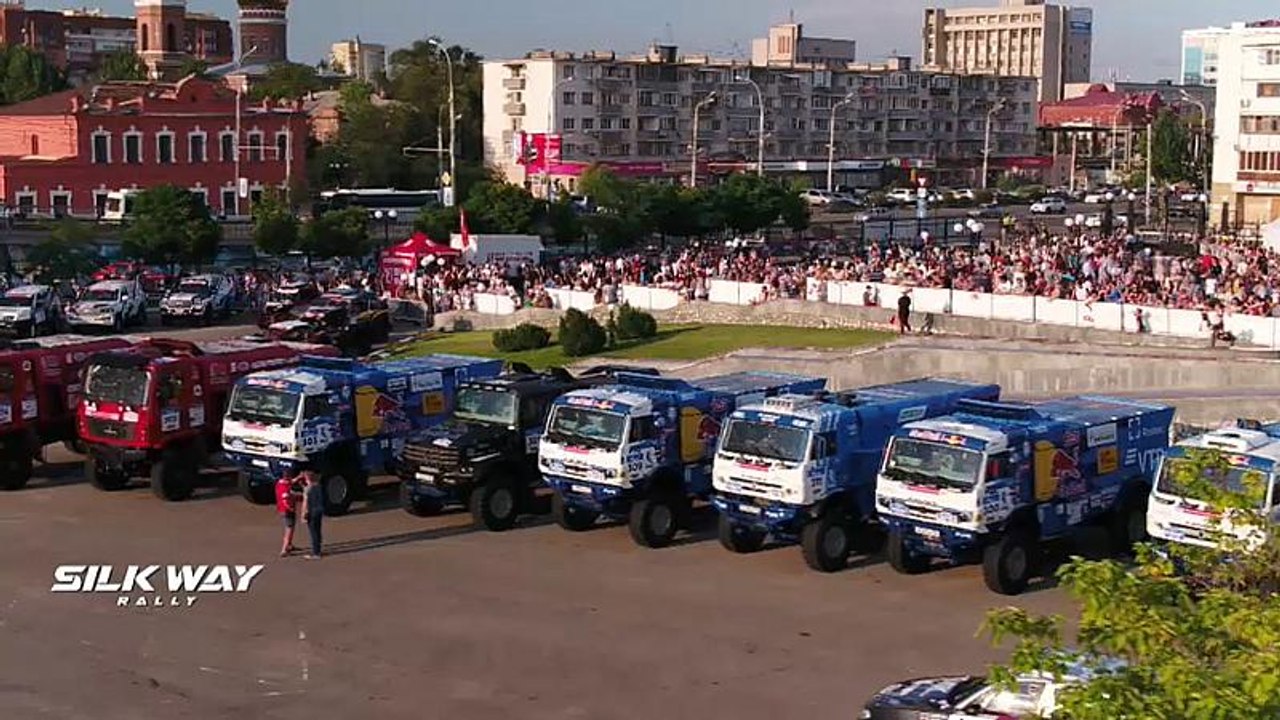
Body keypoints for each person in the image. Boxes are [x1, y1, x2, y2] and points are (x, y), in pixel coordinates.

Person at [275, 469, 302, 557]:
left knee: (291, 527)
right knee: (289, 530)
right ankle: (284, 549)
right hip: (287, 511)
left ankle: (289, 544)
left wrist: (299, 477)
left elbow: (292, 481)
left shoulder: (280, 484)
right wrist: (290, 508)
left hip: (281, 510)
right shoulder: (285, 488)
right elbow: (285, 500)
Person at [299, 470, 325, 559]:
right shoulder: (318, 486)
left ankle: (316, 553)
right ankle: (318, 549)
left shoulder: (308, 489)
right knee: (318, 530)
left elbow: (305, 502)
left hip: (311, 512)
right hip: (319, 510)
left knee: (313, 532)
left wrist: (303, 515)